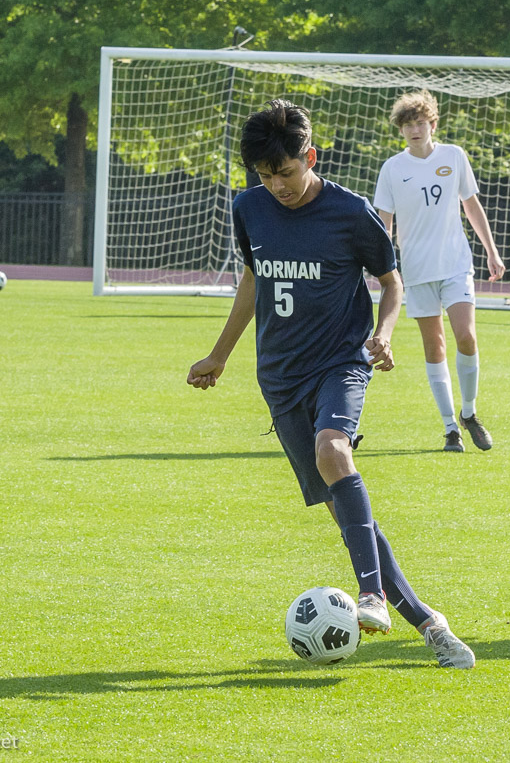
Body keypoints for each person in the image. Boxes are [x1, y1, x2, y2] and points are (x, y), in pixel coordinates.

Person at [187, 99, 475, 668]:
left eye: (286, 172)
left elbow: (392, 283)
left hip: (343, 360)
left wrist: (385, 335)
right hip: (280, 376)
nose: (277, 186)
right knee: (346, 510)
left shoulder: (350, 210)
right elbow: (253, 279)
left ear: (310, 157)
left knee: (333, 449)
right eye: (265, 176)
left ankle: (371, 594)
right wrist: (219, 354)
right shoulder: (250, 209)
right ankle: (427, 620)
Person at [373, 90, 506, 453]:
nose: (415, 130)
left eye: (420, 123)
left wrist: (491, 252)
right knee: (435, 346)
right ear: (401, 130)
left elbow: (471, 206)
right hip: (415, 271)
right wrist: (384, 270)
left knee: (466, 336)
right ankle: (450, 428)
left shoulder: (453, 156)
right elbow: (383, 223)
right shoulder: (392, 169)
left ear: (433, 124)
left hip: (455, 264)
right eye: (407, 125)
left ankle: (469, 412)